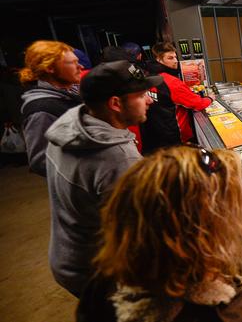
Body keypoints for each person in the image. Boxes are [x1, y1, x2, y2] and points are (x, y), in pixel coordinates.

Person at [76, 145, 242, 322]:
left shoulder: (110, 282)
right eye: (234, 211)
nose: (240, 219)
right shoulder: (213, 313)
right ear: (205, 231)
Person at [45, 60, 161, 296]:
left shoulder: (70, 128)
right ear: (116, 103)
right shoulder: (118, 159)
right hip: (102, 273)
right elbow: (151, 239)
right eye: (141, 95)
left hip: (69, 256)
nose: (149, 100)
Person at [19, 40, 83, 176]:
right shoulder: (41, 109)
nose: (81, 67)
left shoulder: (73, 94)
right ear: (50, 68)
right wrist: (88, 170)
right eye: (73, 63)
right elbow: (40, 161)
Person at [140, 42, 212, 153]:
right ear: (159, 60)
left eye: (175, 57)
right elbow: (198, 104)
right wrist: (210, 98)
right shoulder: (171, 82)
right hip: (175, 137)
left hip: (154, 137)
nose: (175, 61)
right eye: (170, 58)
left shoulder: (146, 76)